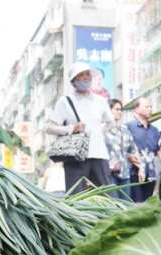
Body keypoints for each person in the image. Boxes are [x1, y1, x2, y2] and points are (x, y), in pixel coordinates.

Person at [46, 61, 114, 193]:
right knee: (76, 196)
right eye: (81, 75)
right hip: (75, 156)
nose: (86, 77)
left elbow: (111, 122)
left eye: (87, 74)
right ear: (73, 81)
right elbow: (49, 127)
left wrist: (98, 133)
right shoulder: (65, 101)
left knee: (108, 195)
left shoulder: (100, 101)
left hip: (99, 154)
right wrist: (71, 129)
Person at [127, 97, 161, 202]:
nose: (150, 109)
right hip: (134, 173)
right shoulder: (128, 127)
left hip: (151, 174)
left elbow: (159, 151)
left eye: (150, 106)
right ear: (136, 109)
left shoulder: (154, 130)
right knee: (136, 205)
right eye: (146, 106)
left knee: (147, 206)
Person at [105, 99, 140, 199]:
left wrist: (141, 167)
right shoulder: (101, 131)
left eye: (121, 110)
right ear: (109, 110)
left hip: (125, 173)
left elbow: (132, 150)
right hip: (109, 174)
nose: (119, 112)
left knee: (126, 206)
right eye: (117, 109)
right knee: (114, 206)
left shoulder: (125, 130)